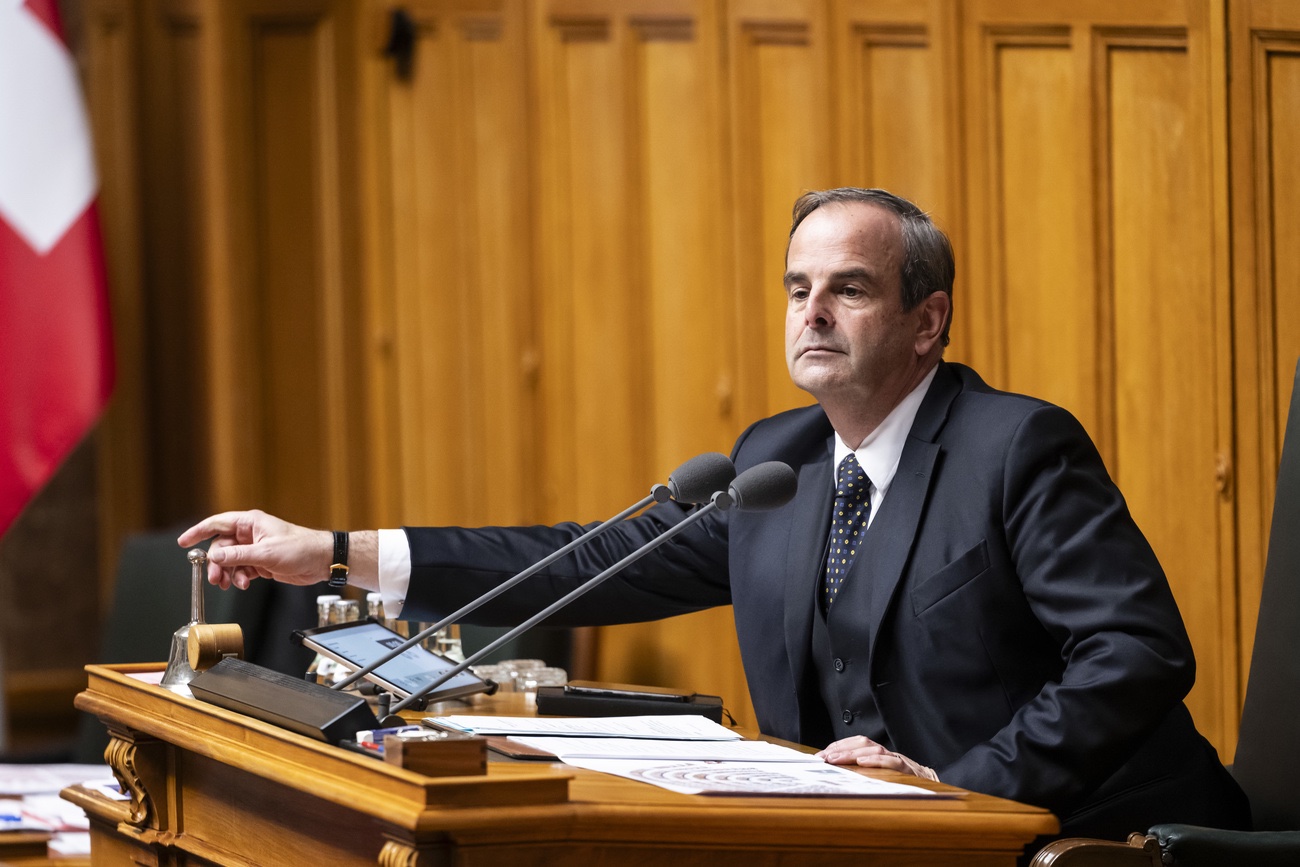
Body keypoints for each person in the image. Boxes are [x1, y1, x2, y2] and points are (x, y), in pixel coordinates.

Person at [179, 187, 1249, 841]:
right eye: (796, 289)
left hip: (1090, 838)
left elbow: (1135, 653)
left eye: (849, 289)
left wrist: (964, 792)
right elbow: (582, 564)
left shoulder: (1014, 447)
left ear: (927, 323)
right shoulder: (774, 462)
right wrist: (328, 553)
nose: (813, 314)